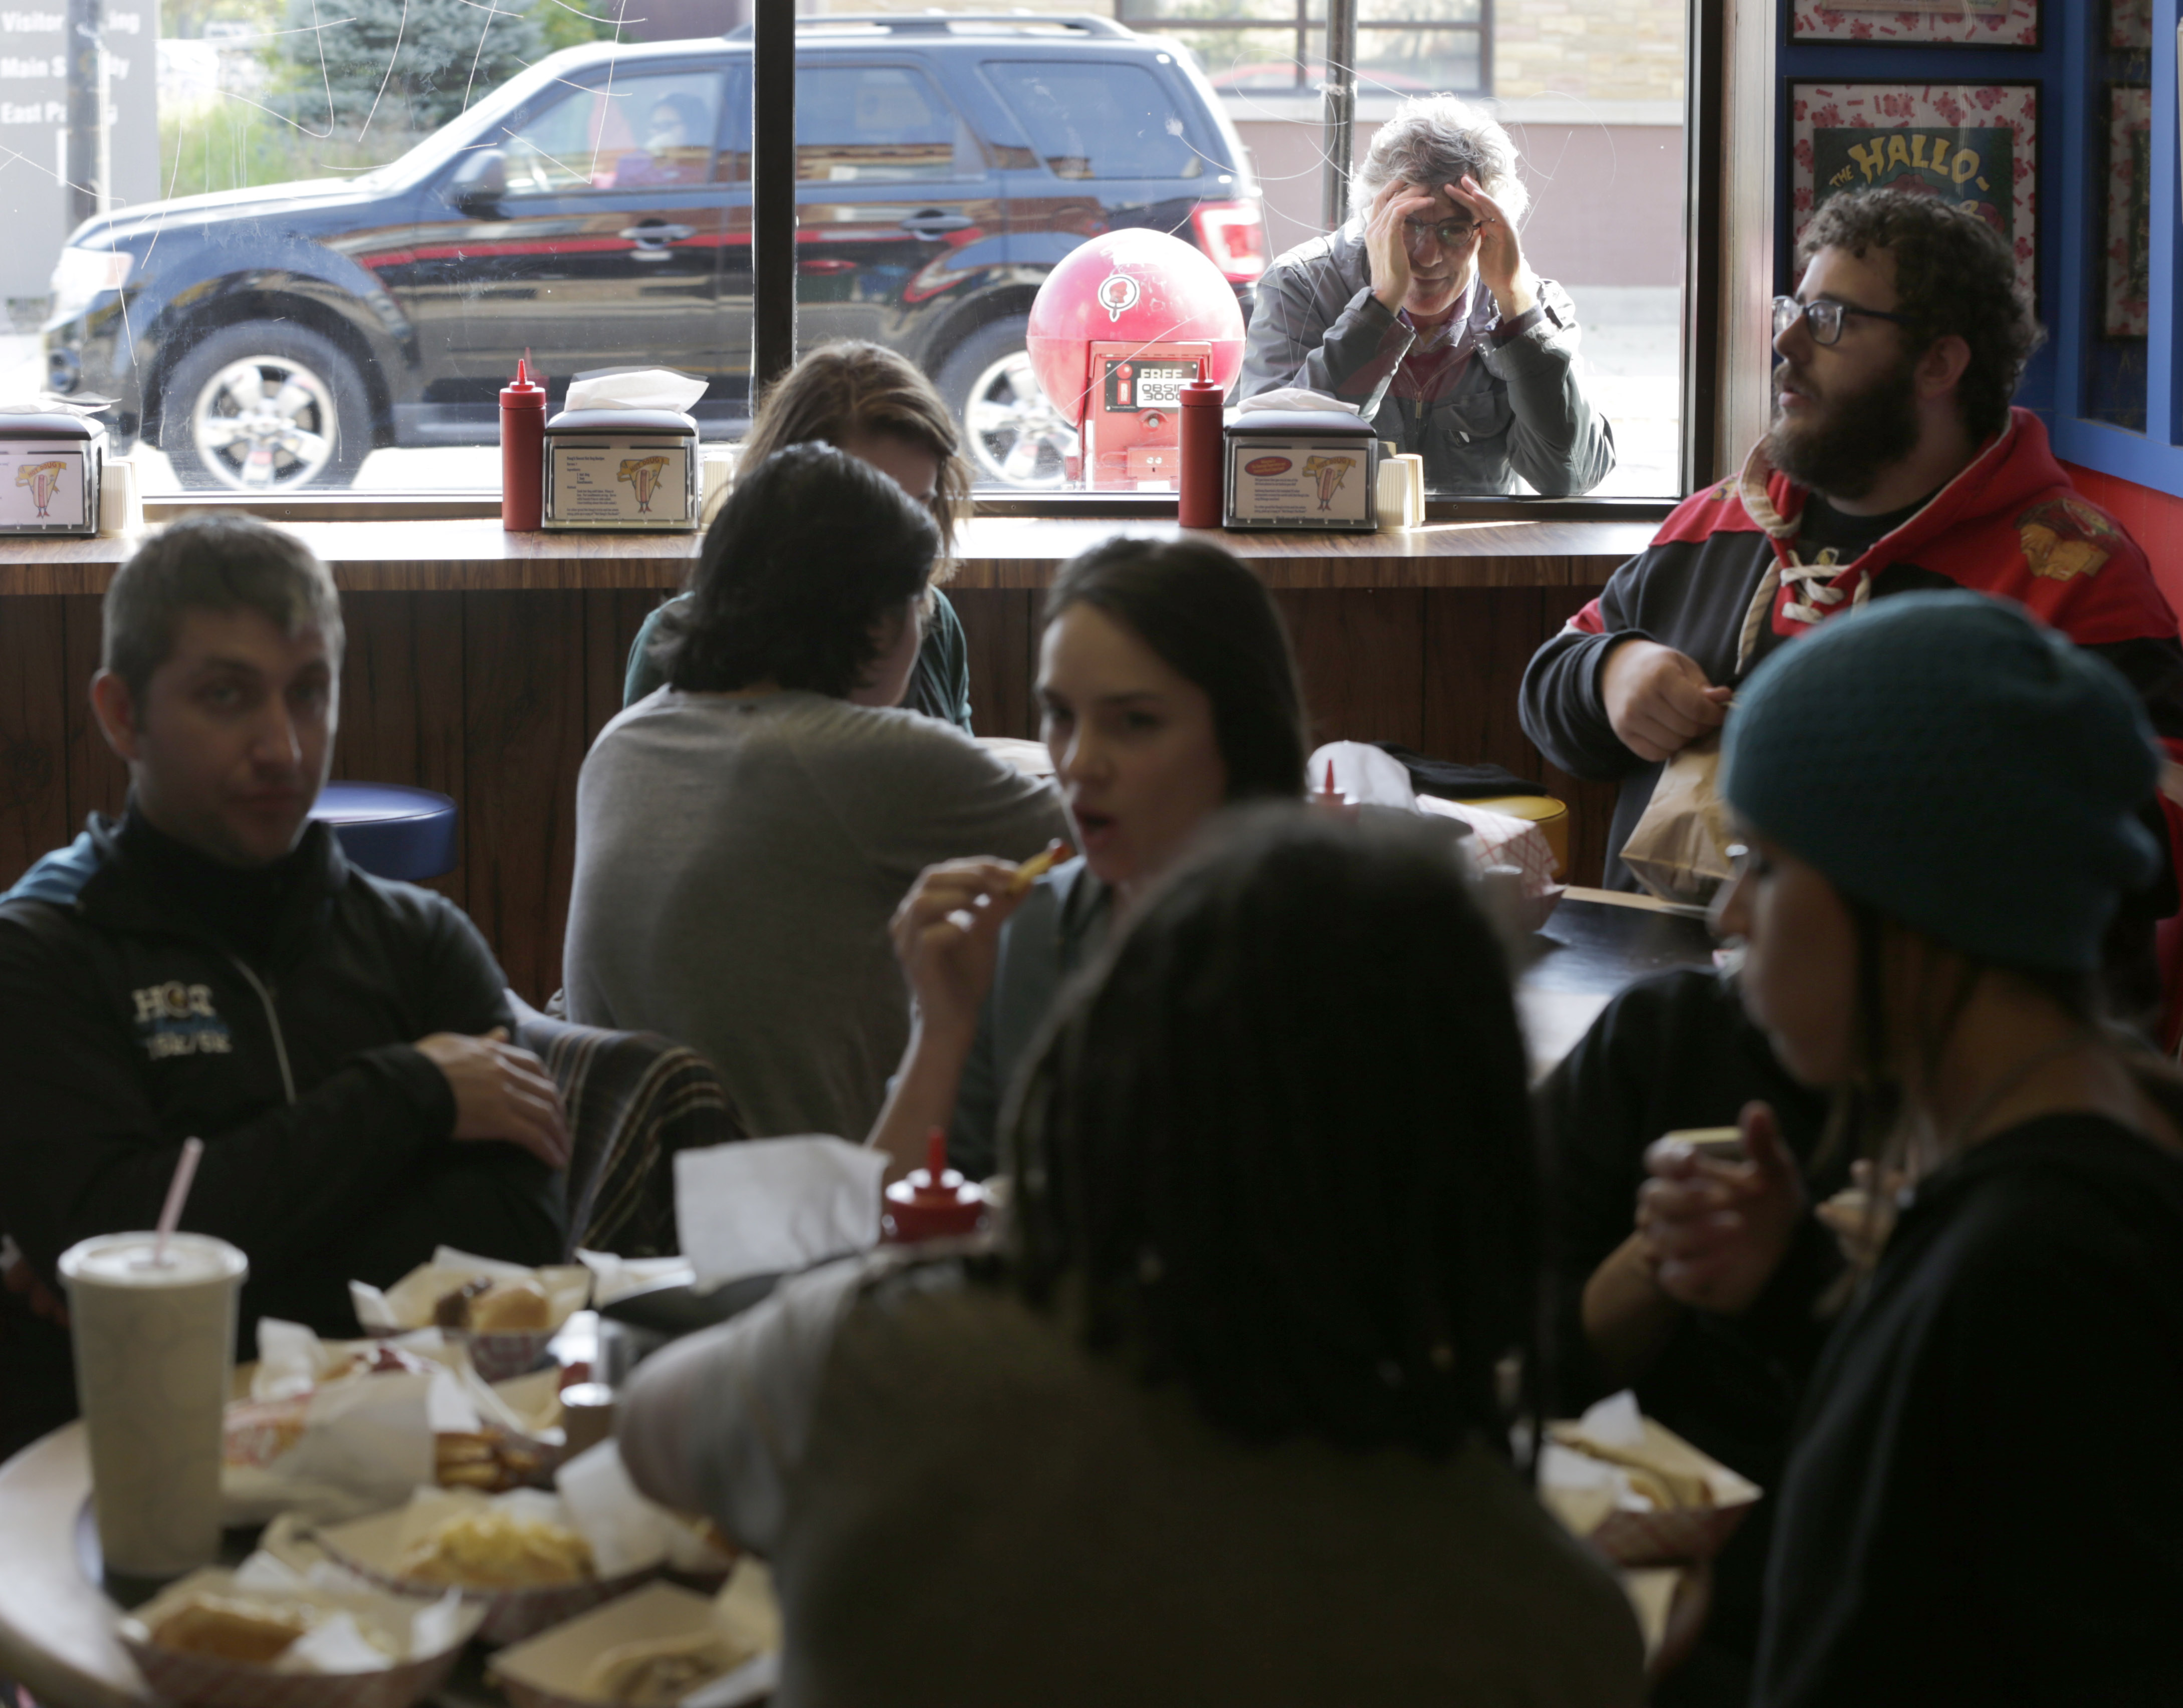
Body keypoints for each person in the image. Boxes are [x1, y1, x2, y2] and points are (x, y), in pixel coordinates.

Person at [619, 809, 1647, 1708]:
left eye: (1137, 717)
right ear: (1478, 1165)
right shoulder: (1549, 1615)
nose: (1084, 763)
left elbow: (650, 1427)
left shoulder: (885, 1358)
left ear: (1106, 1074)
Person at [1635, 592, 2183, 1705]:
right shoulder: (2043, 1186)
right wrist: (1801, 1290)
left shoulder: (2042, 1270)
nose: (1730, 915)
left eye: (1767, 864)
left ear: (1915, 898)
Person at [0, 516, 569, 1457]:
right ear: (120, 714)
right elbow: (119, 1250)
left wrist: (218, 1244)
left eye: (309, 694)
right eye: (226, 695)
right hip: (125, 1475)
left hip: (417, 1468)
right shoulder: (44, 953)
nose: (281, 746)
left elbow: (515, 1256)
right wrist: (409, 1095)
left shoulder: (424, 941)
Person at [1520, 186, 2183, 896]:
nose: (1786, 341)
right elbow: (1551, 687)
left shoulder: (2075, 570)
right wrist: (1610, 673)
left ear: (1938, 365)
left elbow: (2158, 834)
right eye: (1793, 309)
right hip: (1657, 988)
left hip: (1903, 1005)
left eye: (1830, 320)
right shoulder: (1720, 520)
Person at [564, 444, 1064, 1143]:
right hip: (821, 1212)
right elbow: (1119, 842)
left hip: (623, 1205)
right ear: (886, 622)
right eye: (919, 602)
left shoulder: (622, 743)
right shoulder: (876, 757)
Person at [868, 536, 1307, 1181]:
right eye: (1061, 715)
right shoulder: (1026, 931)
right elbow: (888, 1226)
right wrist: (942, 1029)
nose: (1077, 764)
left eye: (1135, 723)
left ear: (1242, 732)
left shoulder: (1334, 942)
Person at [1237, 94, 1613, 497]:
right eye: (1409, 224)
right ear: (1373, 217)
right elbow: (1267, 470)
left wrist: (1520, 311)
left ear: (1492, 230)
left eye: (1455, 229)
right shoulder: (1300, 286)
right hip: (1339, 552)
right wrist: (1378, 310)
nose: (1428, 256)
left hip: (1474, 553)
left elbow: (1572, 478)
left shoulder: (1528, 305)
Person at [625, 341, 976, 731]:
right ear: (782, 497)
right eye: (867, 512)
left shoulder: (933, 621)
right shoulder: (676, 640)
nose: (900, 539)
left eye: (919, 506)